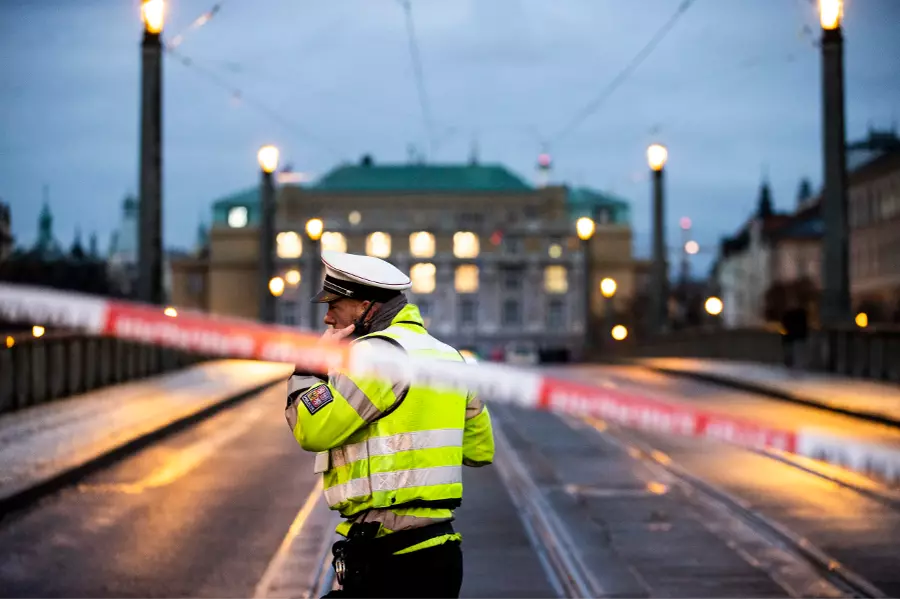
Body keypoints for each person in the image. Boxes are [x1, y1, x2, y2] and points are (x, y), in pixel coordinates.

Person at [284, 250, 495, 599]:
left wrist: (309, 368)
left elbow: (313, 430)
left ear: (364, 306)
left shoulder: (375, 356)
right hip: (440, 553)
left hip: (387, 557)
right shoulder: (449, 356)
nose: (326, 318)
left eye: (334, 305)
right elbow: (479, 450)